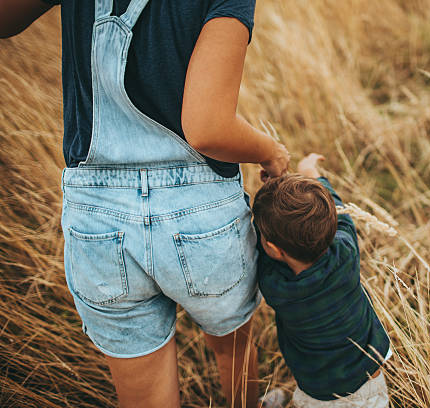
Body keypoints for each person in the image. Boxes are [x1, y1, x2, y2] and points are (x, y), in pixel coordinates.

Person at [0, 1, 290, 407]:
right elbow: (207, 128)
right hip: (202, 215)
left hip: (98, 220)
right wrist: (271, 151)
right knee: (233, 351)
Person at [252, 154, 392, 408]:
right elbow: (337, 208)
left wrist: (270, 197)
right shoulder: (346, 250)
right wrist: (311, 173)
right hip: (369, 379)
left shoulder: (276, 286)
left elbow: (262, 253)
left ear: (273, 248)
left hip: (319, 393)